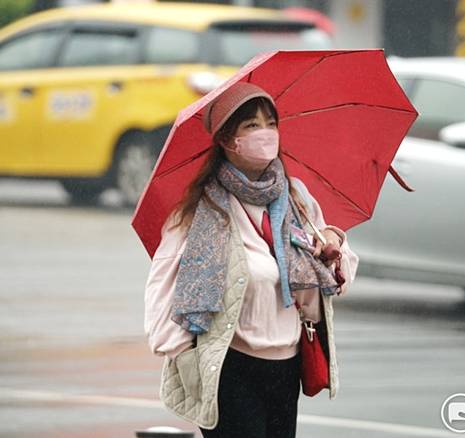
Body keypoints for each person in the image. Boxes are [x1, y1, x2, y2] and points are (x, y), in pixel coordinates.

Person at [144, 82, 359, 437]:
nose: (266, 134)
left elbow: (342, 277)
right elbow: (161, 288)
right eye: (252, 126)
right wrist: (184, 358)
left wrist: (332, 244)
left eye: (271, 123)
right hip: (230, 368)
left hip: (287, 368)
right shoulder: (201, 210)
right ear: (229, 140)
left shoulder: (297, 199)